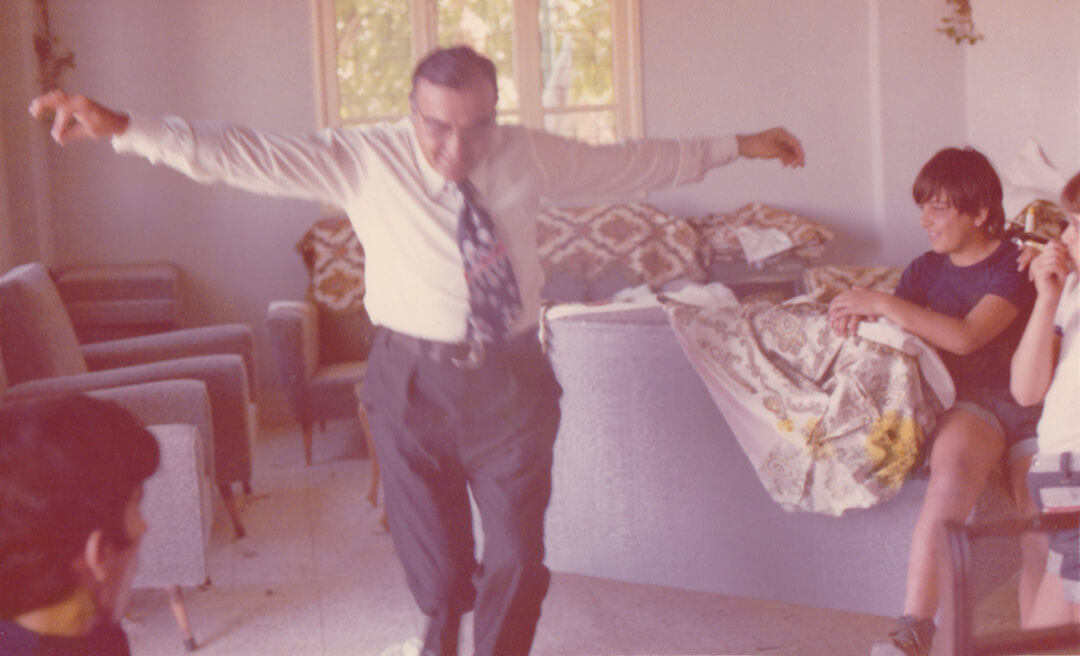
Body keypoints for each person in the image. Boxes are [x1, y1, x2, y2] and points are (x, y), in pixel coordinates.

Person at [30, 44, 805, 656]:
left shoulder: (526, 154)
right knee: (439, 576)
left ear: (496, 115)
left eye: (475, 127)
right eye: (437, 127)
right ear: (411, 115)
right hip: (409, 386)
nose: (455, 147)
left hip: (512, 382)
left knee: (517, 559)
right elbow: (242, 152)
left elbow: (637, 160)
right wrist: (124, 127)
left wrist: (740, 144)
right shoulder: (365, 158)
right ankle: (438, 633)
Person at [827, 147, 1042, 656]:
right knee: (949, 479)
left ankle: (1040, 639)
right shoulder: (924, 270)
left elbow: (968, 336)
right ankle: (914, 630)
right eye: (922, 207)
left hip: (1034, 400)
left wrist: (883, 302)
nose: (925, 220)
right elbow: (899, 337)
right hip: (973, 404)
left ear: (980, 212)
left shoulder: (1014, 263)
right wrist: (860, 316)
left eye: (939, 208)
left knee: (1036, 518)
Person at [0, 394, 160, 656]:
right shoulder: (100, 639)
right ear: (96, 553)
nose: (144, 527)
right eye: (135, 504)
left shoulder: (90, 627)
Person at [1010, 171, 1080, 629]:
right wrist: (1047, 298)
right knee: (1051, 634)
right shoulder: (1070, 291)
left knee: (1050, 634)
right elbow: (1026, 390)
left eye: (1076, 224)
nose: (1066, 237)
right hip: (1059, 477)